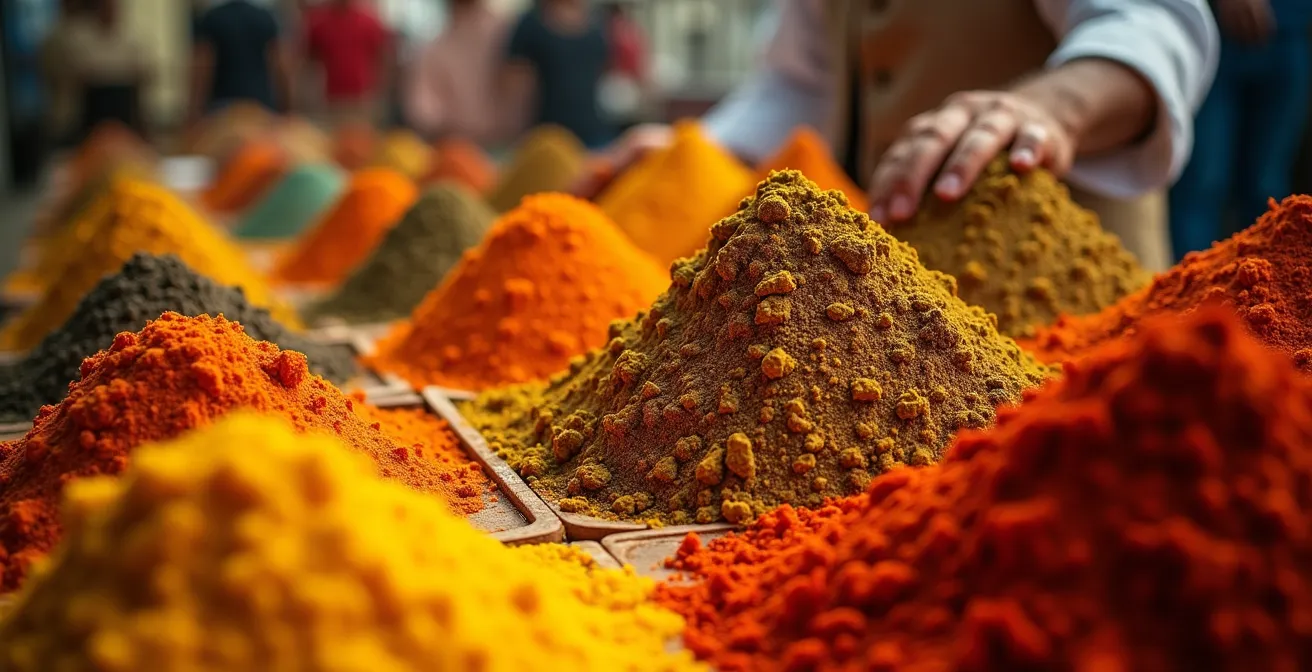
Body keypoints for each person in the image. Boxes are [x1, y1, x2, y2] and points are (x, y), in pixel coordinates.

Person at [589, 1, 1219, 272]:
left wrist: (1053, 109)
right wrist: (700, 150)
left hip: (1071, 300)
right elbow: (800, 83)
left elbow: (1153, 23)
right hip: (900, 310)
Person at [1169, 0, 1312, 260]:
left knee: (1267, 188)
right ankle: (1191, 292)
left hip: (1291, 30)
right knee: (1203, 183)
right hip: (1215, 34)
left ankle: (1264, 289)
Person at [502, 0, 612, 148]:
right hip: (547, 137)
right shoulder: (530, 26)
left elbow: (599, 76)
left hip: (593, 134)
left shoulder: (596, 25)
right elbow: (516, 90)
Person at [403, 0, 508, 143]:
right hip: (457, 147)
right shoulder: (433, 49)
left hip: (501, 143)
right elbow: (422, 113)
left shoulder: (508, 36)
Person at [188, 0, 291, 125]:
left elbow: (203, 70)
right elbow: (279, 67)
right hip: (260, 107)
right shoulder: (265, 18)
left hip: (222, 109)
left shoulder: (212, 19)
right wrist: (287, 110)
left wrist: (194, 111)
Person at [303, 0, 392, 128]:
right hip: (329, 100)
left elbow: (382, 58)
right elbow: (310, 59)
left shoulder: (369, 22)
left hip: (362, 100)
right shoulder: (318, 22)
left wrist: (378, 91)